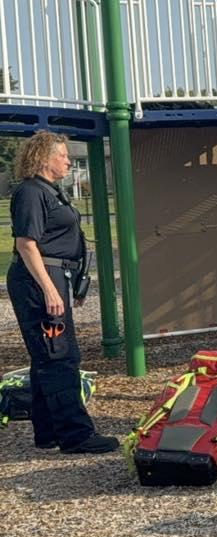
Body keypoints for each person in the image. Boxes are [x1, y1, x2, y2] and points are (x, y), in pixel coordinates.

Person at [7, 132, 115, 454]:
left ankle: (49, 432)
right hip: (39, 278)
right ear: (44, 158)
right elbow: (26, 244)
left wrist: (72, 282)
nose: (69, 161)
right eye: (64, 156)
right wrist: (49, 288)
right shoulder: (30, 192)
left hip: (56, 275)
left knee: (46, 356)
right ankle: (75, 435)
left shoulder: (50, 191)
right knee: (59, 355)